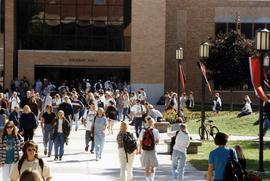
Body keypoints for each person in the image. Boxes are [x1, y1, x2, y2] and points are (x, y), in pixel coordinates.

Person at [137, 117, 159, 181]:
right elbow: (158, 141)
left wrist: (139, 150)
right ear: (153, 123)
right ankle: (151, 178)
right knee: (153, 165)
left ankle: (147, 179)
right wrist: (152, 143)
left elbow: (140, 141)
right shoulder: (156, 131)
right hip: (153, 149)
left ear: (147, 123)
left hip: (145, 150)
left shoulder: (143, 131)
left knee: (146, 166)